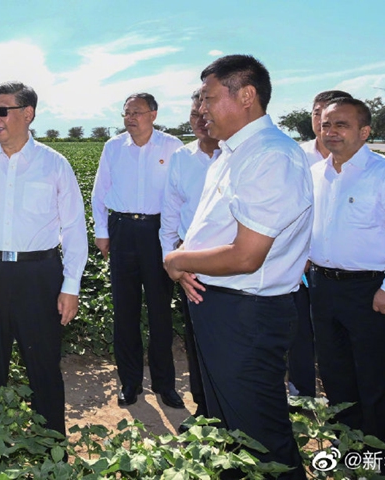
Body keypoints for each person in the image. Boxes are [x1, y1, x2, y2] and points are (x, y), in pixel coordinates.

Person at [163, 54, 311, 479]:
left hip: (246, 312)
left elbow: (247, 255)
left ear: (246, 95)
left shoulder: (270, 156)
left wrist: (178, 259)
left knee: (261, 436)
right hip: (221, 304)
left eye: (209, 98)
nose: (201, 108)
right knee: (229, 430)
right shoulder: (231, 152)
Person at [0, 81, 88, 436]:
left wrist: (70, 286)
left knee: (43, 364)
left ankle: (51, 444)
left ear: (27, 114)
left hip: (39, 274)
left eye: (2, 111)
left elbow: (75, 227)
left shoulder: (54, 165)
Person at [309, 97, 385, 475]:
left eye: (342, 125)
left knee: (376, 379)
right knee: (336, 375)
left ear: (365, 131)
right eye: (327, 124)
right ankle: (348, 449)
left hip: (371, 291)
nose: (331, 132)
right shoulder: (316, 174)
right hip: (323, 288)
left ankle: (383, 461)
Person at [91, 93, 184, 408]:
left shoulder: (172, 147)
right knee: (125, 311)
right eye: (126, 113)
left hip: (159, 232)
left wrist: (173, 240)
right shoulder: (113, 147)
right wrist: (102, 233)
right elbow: (100, 190)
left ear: (154, 114)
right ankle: (129, 383)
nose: (130, 118)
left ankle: (164, 385)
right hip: (122, 232)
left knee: (160, 312)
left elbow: (179, 195)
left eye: (137, 112)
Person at [159, 88, 220, 427]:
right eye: (194, 114)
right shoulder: (182, 158)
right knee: (196, 340)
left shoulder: (237, 156)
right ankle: (204, 410)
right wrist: (174, 262)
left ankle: (229, 413)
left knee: (229, 342)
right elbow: (170, 214)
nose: (198, 120)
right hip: (190, 264)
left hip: (232, 264)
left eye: (204, 112)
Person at [288, 90, 353, 400]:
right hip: (300, 261)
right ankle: (301, 392)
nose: (321, 122)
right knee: (300, 329)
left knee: (337, 338)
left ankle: (344, 402)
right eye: (316, 114)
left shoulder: (358, 162)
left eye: (329, 116)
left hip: (340, 266)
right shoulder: (296, 155)